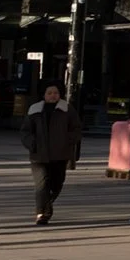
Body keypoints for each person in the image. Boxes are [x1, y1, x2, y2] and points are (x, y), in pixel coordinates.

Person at [20, 81, 85, 225]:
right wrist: (32, 143)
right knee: (42, 185)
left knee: (57, 184)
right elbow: (25, 131)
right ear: (44, 95)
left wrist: (67, 140)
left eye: (55, 93)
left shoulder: (67, 109)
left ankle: (46, 207)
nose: (53, 96)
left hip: (60, 155)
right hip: (39, 155)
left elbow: (77, 129)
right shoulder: (34, 110)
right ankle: (41, 213)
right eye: (49, 93)